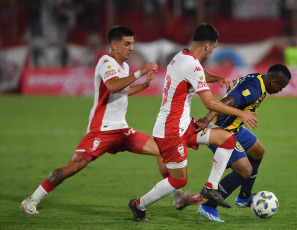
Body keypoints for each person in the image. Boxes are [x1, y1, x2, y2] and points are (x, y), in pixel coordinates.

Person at [20, 25, 201, 214]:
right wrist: (140, 72)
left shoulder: (123, 66)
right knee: (74, 166)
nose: (131, 48)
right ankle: (32, 199)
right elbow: (113, 86)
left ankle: (178, 197)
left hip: (122, 130)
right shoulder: (106, 61)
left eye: (132, 43)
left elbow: (122, 91)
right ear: (114, 45)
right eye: (127, 43)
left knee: (162, 150)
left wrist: (143, 86)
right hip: (103, 129)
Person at [129, 23, 258, 222]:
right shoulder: (191, 64)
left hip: (185, 124)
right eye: (214, 48)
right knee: (178, 181)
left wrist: (218, 77)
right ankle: (138, 204)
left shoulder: (182, 56)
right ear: (207, 45)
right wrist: (240, 113)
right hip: (171, 130)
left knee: (226, 139)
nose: (213, 51)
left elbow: (198, 73)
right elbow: (209, 102)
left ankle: (211, 188)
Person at [196, 64, 291, 222]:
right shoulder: (254, 89)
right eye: (281, 87)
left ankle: (244, 197)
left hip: (235, 128)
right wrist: (206, 119)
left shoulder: (257, 78)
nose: (280, 91)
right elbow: (225, 101)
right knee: (245, 171)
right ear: (273, 81)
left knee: (258, 152)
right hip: (221, 130)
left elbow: (235, 87)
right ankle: (209, 206)